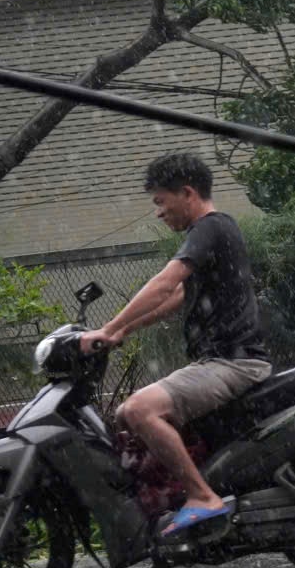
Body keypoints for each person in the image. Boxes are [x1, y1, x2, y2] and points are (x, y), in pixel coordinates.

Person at [83, 153, 270, 539]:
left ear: (187, 193)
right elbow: (177, 296)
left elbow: (165, 283)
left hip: (232, 363)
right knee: (129, 416)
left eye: (160, 201)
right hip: (222, 360)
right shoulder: (213, 233)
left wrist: (110, 326)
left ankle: (203, 497)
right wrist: (123, 331)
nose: (158, 213)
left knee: (138, 410)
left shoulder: (210, 228)